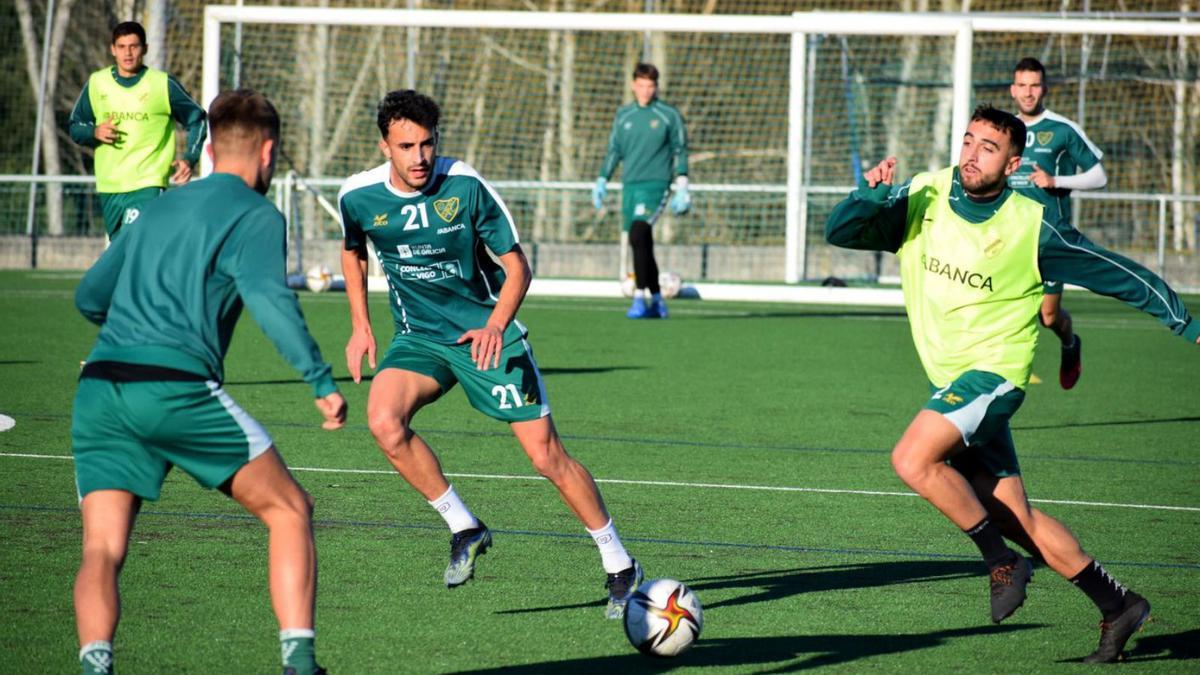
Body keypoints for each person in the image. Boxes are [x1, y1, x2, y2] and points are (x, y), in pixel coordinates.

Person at [825, 105, 1199, 663]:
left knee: (911, 459)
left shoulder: (1033, 223)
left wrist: (1187, 324)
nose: (972, 155)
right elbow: (841, 232)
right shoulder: (925, 195)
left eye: (989, 148)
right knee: (1016, 515)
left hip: (994, 376)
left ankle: (999, 561)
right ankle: (1118, 605)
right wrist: (868, 195)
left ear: (1014, 162)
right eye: (969, 141)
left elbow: (1118, 272)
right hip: (953, 383)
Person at [338, 90, 643, 619]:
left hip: (488, 334)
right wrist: (361, 326)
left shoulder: (466, 185)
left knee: (546, 456)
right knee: (384, 423)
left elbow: (518, 267)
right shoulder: (358, 196)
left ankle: (619, 562)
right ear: (384, 144)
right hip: (419, 339)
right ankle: (465, 525)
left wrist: (495, 325)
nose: (419, 157)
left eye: (427, 143)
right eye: (406, 145)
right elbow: (352, 250)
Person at [71, 89, 346, 675]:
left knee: (101, 548)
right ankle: (300, 666)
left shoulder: (162, 207)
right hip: (173, 388)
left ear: (214, 148)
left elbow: (90, 296)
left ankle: (96, 667)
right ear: (268, 151)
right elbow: (270, 300)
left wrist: (126, 332)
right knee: (291, 510)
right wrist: (319, 379)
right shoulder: (257, 214)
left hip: (99, 386)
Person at [1009, 57, 1108, 389]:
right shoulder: (1004, 129)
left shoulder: (1062, 129)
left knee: (1048, 316)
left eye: (1034, 85)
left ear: (1044, 88)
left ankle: (1070, 344)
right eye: (1022, 85)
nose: (1028, 92)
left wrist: (1057, 181)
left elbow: (1098, 176)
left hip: (1050, 240)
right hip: (1008, 239)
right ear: (1012, 90)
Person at [68, 21, 207, 239]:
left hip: (148, 183)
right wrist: (94, 132)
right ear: (112, 49)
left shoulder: (162, 84)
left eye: (134, 46)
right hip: (110, 184)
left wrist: (190, 158)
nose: (128, 53)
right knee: (121, 252)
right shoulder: (98, 83)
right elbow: (75, 126)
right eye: (122, 47)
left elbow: (197, 119)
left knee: (132, 242)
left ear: (145, 49)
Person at [592, 62, 689, 319]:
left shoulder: (668, 115)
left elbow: (680, 149)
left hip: (656, 187)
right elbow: (615, 150)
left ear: (656, 87)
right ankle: (657, 300)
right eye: (642, 85)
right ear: (634, 85)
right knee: (642, 242)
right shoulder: (624, 115)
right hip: (630, 187)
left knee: (637, 233)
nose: (646, 90)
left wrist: (682, 185)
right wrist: (602, 178)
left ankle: (639, 297)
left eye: (651, 86)